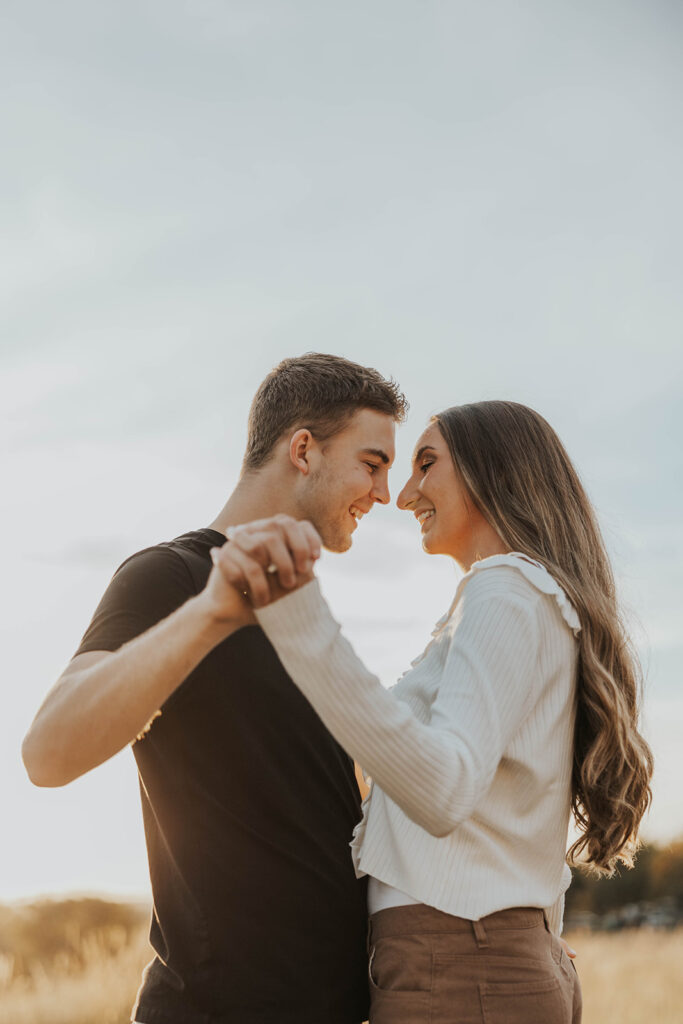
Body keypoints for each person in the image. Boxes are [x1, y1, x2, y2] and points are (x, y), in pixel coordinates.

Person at [213, 400, 654, 1024]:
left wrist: (300, 617)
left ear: (491, 472)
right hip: (474, 959)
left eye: (426, 464)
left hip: (458, 966)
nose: (404, 495)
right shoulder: (521, 597)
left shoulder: (505, 589)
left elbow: (445, 788)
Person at [22, 353, 408, 1024]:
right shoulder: (166, 578)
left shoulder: (304, 615)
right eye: (372, 464)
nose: (383, 494)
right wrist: (209, 613)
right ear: (302, 450)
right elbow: (46, 754)